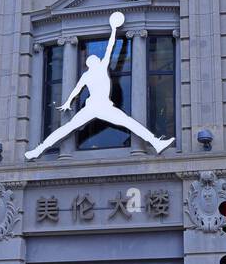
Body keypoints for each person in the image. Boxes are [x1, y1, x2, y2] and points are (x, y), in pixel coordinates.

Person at [26, 12, 175, 159]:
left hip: (96, 107)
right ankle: (156, 142)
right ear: (93, 62)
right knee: (129, 123)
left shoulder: (88, 74)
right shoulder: (101, 67)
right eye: (96, 58)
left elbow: (77, 90)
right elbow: (110, 48)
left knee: (67, 128)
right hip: (100, 106)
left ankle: (38, 150)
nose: (98, 58)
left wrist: (67, 102)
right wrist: (114, 30)